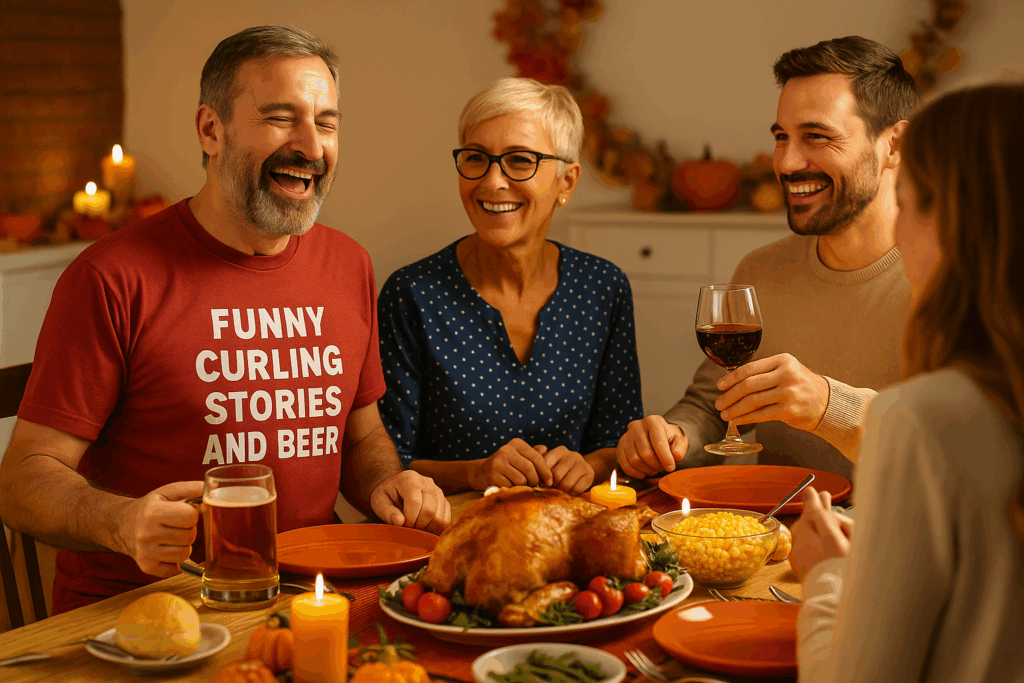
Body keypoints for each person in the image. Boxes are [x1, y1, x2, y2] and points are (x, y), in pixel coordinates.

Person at [0, 25, 449, 615]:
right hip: (150, 610)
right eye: (281, 117)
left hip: (309, 595)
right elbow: (23, 479)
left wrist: (386, 483)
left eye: (327, 122)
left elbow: (361, 437)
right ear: (211, 130)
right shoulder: (110, 277)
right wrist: (120, 520)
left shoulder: (349, 264)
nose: (312, 146)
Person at [788, 82, 1024, 683]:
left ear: (962, 221)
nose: (896, 233)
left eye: (910, 202)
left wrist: (827, 574)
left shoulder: (922, 418)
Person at [617, 36, 919, 481]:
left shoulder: (959, 275)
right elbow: (713, 407)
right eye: (782, 137)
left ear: (894, 144)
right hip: (781, 536)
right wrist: (674, 437)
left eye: (816, 136)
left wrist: (828, 406)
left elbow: (967, 445)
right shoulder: (761, 272)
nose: (787, 162)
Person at [377, 77, 642, 494]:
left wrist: (588, 466)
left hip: (565, 534)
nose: (492, 181)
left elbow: (618, 439)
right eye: (476, 158)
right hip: (448, 537)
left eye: (520, 160)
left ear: (566, 182)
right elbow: (387, 462)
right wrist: (474, 473)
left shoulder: (603, 287)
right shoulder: (412, 294)